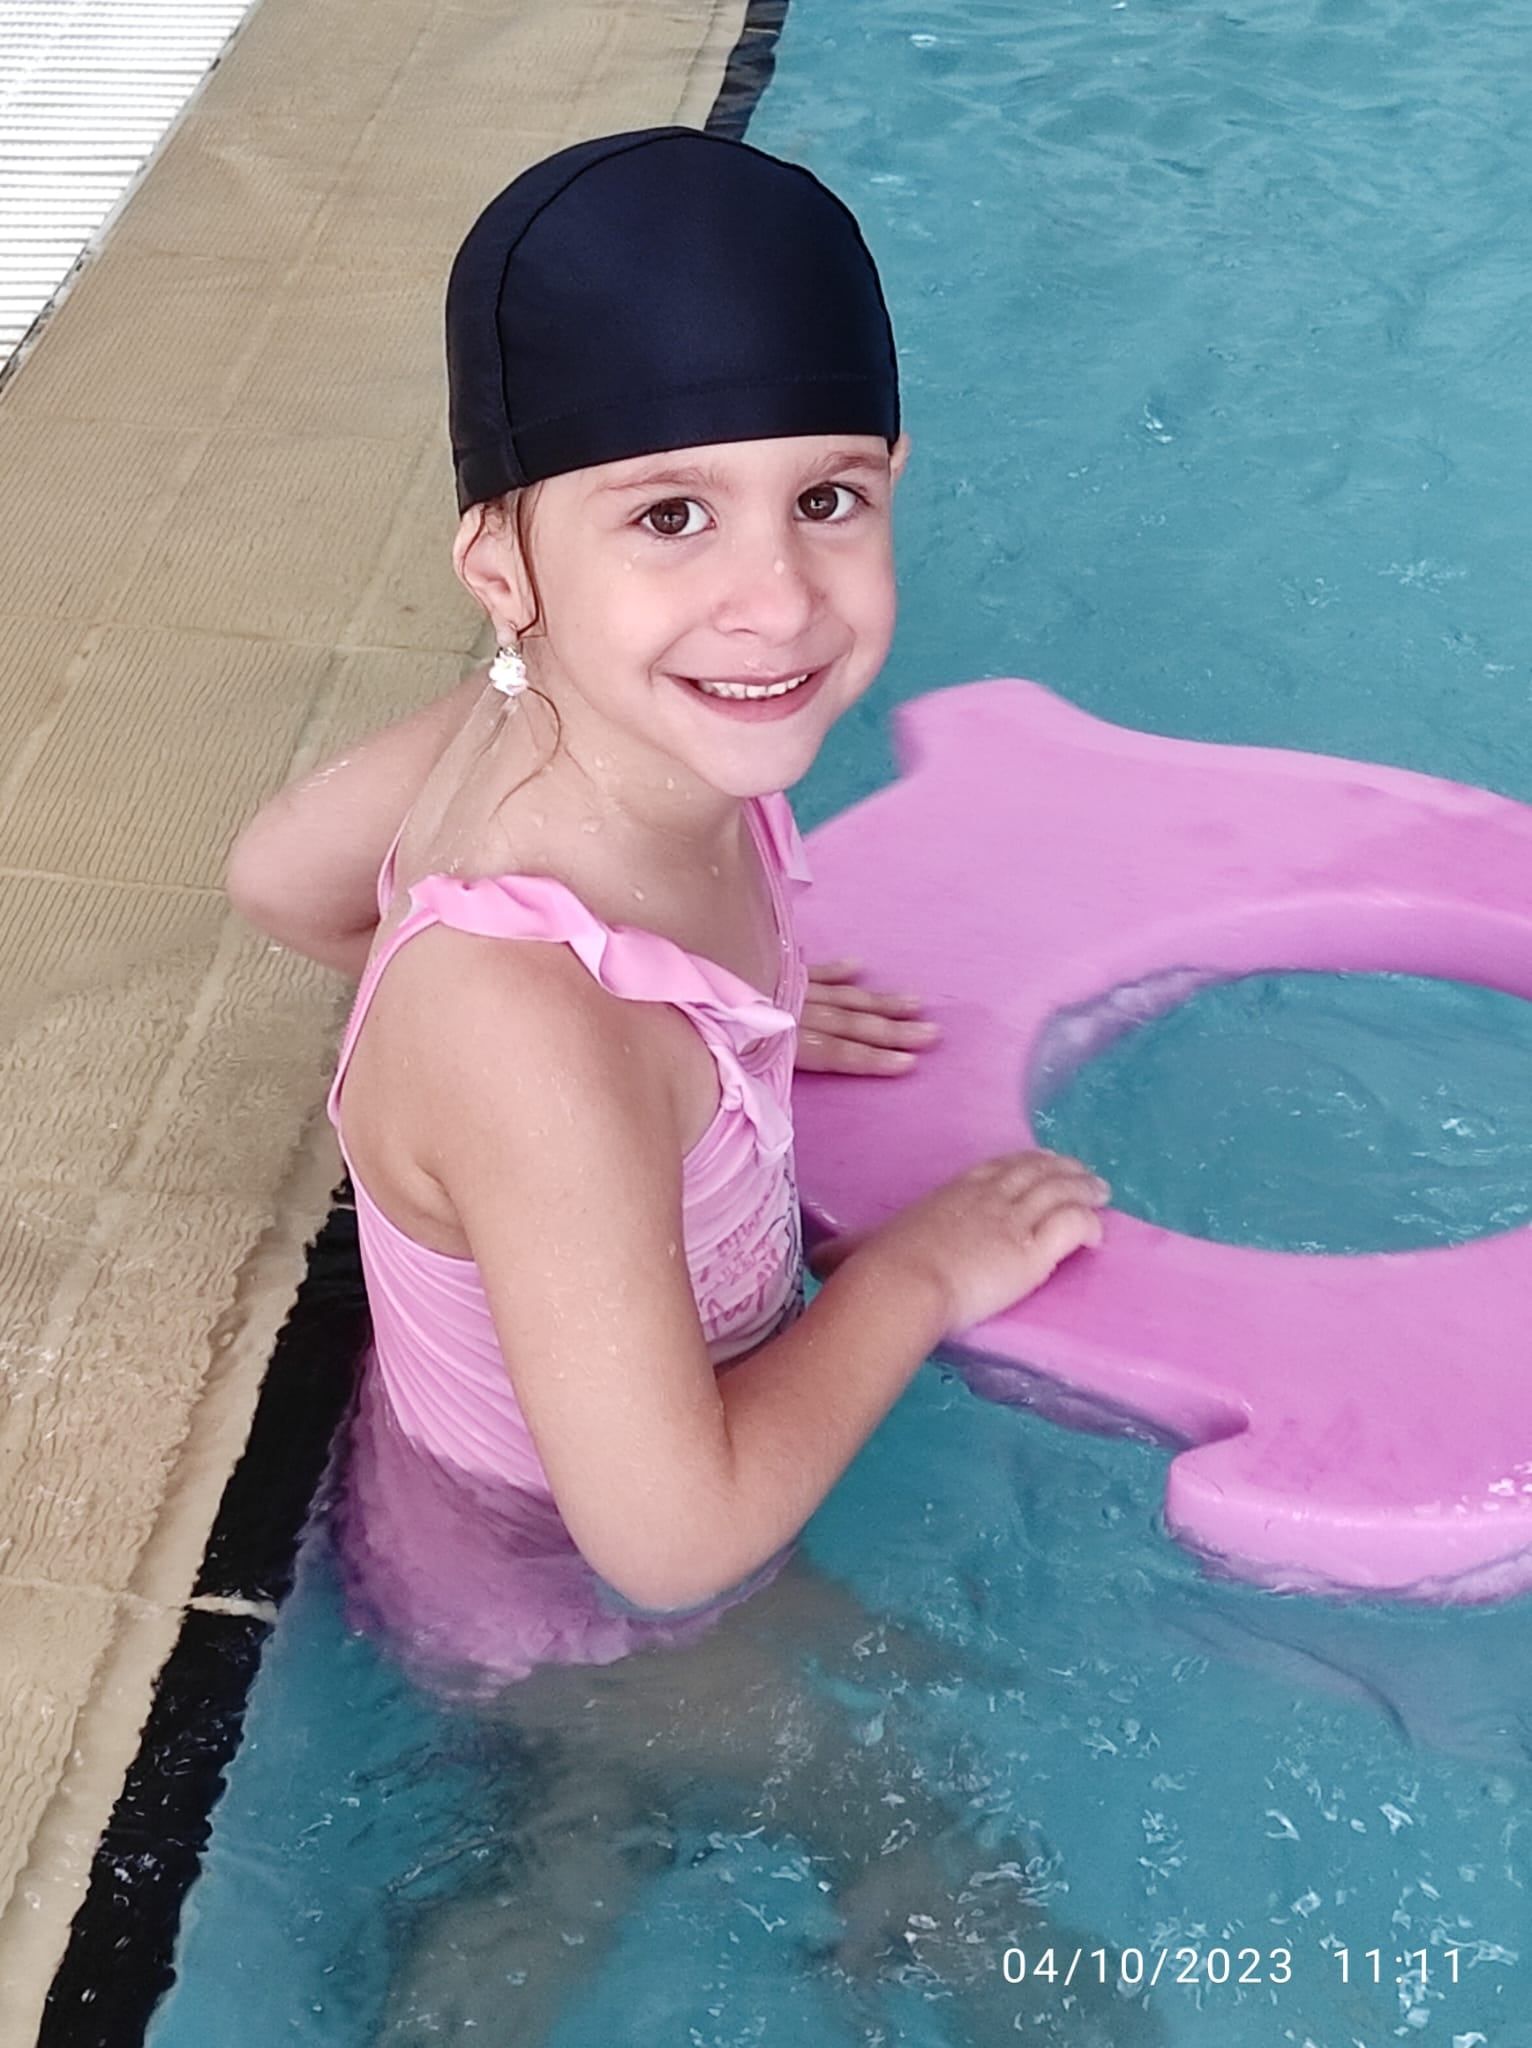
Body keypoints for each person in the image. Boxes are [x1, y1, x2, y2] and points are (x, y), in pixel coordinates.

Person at [228, 130, 1136, 2040]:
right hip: (549, 1580)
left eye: (829, 497)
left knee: (596, 1834)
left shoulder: (582, 726)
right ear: (505, 567)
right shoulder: (537, 1031)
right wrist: (917, 1270)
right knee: (931, 1842)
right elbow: (668, 1540)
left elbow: (280, 877)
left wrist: (731, 1033)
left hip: (537, 1480)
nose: (775, 600)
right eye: (668, 516)